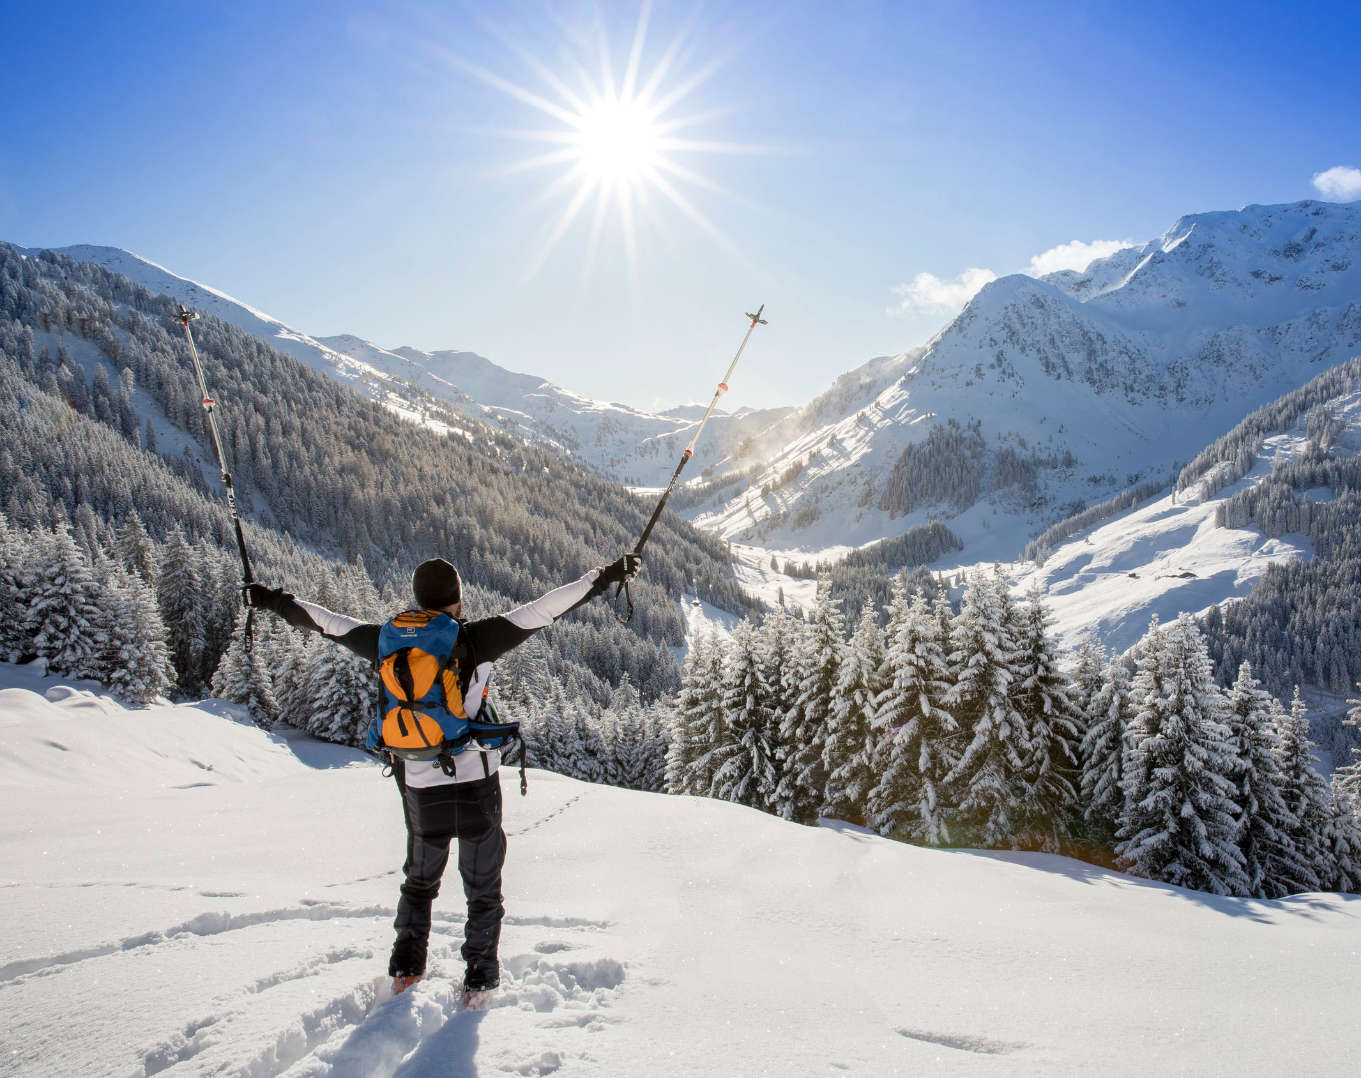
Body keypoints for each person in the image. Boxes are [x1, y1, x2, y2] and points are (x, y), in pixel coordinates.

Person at [246, 552, 641, 1003]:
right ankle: (479, 979)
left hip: (419, 787)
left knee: (418, 884)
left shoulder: (386, 641)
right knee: (483, 890)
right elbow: (547, 607)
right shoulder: (475, 639)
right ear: (457, 599)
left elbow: (326, 622)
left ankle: (406, 970)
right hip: (476, 785)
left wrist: (271, 600)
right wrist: (607, 576)